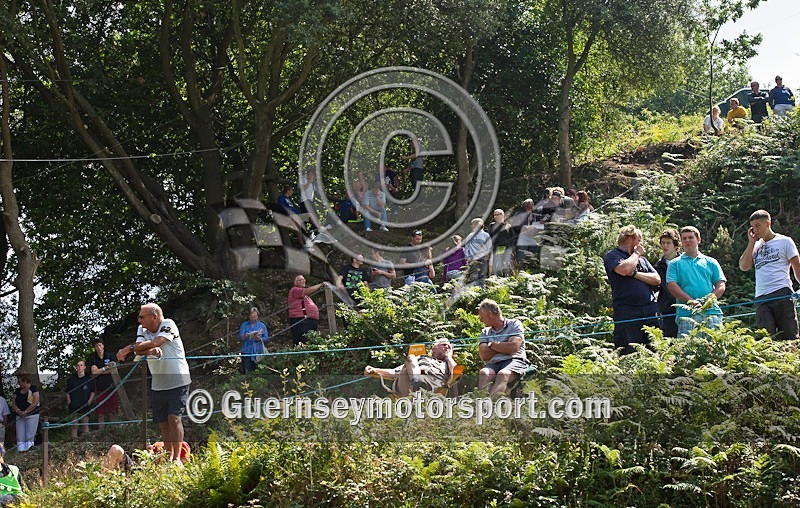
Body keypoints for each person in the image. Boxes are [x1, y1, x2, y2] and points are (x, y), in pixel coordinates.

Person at [116, 303, 192, 464]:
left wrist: (129, 348)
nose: (139, 320)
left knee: (174, 419)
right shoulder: (142, 330)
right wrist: (147, 350)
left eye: (142, 317)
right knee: (163, 423)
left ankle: (177, 459)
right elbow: (140, 350)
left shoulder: (168, 324)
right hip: (158, 383)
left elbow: (157, 341)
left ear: (154, 317)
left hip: (178, 379)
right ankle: (168, 458)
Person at [738, 210, 800, 340]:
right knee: (765, 340)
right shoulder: (755, 246)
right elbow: (744, 266)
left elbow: (796, 266)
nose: (756, 230)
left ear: (768, 223)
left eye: (758, 225)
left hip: (782, 293)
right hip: (761, 297)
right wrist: (751, 243)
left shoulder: (785, 241)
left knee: (789, 337)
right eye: (753, 227)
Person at [603, 225, 661, 354]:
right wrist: (636, 253)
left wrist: (635, 274)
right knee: (629, 350)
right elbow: (624, 269)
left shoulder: (643, 260)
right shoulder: (613, 255)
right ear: (630, 239)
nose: (641, 245)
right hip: (627, 311)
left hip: (650, 310)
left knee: (654, 350)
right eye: (639, 240)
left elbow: (657, 279)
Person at [666, 227, 727, 337]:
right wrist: (691, 301)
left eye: (690, 237)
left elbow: (721, 284)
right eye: (684, 238)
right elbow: (672, 286)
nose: (687, 241)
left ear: (698, 240)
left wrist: (710, 300)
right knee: (688, 352)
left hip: (712, 313)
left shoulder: (711, 262)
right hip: (687, 314)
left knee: (715, 351)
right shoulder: (674, 264)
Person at [363, 339, 456, 396]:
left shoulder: (447, 363)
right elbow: (395, 372)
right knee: (407, 363)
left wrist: (448, 357)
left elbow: (456, 371)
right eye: (444, 344)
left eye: (449, 347)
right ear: (434, 348)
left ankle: (418, 387)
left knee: (405, 371)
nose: (447, 347)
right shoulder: (420, 358)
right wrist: (375, 370)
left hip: (432, 386)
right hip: (410, 386)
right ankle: (417, 385)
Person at [477, 299, 530, 394]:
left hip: (515, 360)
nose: (481, 321)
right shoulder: (485, 332)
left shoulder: (514, 324)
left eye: (482, 317)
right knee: (484, 373)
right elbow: (483, 355)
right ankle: (482, 404)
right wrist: (504, 345)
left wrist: (492, 345)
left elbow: (514, 347)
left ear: (489, 314)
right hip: (494, 363)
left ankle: (492, 404)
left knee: (503, 374)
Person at [655, 229, 680, 338]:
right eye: (663, 243)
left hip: (686, 306)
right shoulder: (658, 267)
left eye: (668, 243)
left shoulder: (685, 262)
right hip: (667, 309)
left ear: (676, 245)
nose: (665, 246)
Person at [87, 338, 119, 423]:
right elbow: (94, 372)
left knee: (112, 410)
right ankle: (101, 431)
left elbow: (114, 369)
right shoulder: (93, 359)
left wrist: (100, 371)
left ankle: (114, 429)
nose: (99, 348)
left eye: (100, 345)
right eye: (96, 346)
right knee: (100, 412)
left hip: (112, 387)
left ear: (103, 346)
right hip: (100, 388)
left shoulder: (110, 356)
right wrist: (105, 368)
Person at [103, 440, 191, 471]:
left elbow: (185, 468)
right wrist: (147, 452)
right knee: (115, 448)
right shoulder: (158, 444)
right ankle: (102, 480)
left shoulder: (183, 445)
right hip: (140, 469)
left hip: (158, 476)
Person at [288, 274, 324, 344]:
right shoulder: (295, 290)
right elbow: (306, 291)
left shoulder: (304, 296)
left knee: (311, 341)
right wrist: (321, 285)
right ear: (295, 283)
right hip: (301, 321)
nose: (303, 281)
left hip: (308, 321)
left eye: (304, 279)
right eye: (300, 280)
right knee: (303, 342)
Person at [65, 360, 96, 438]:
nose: (80, 367)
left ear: (84, 367)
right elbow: (67, 392)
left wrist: (89, 401)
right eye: (78, 365)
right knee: (74, 426)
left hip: (85, 405)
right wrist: (69, 402)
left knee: (85, 425)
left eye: (81, 365)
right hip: (74, 406)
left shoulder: (89, 379)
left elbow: (92, 391)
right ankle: (73, 441)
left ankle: (86, 443)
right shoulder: (71, 380)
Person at [10, 373, 39, 452]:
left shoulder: (33, 389)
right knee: (20, 435)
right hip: (19, 416)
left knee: (29, 435)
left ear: (25, 381)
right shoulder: (17, 391)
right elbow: (13, 403)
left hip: (31, 415)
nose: (18, 383)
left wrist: (26, 411)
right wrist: (18, 411)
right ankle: (20, 451)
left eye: (20, 382)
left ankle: (29, 451)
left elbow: (35, 402)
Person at [463, 218, 492, 287]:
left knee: (482, 277)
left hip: (483, 259)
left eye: (473, 224)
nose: (471, 226)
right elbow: (467, 248)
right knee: (473, 277)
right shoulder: (470, 235)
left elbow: (489, 247)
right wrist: (467, 258)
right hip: (473, 260)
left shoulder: (486, 235)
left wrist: (487, 256)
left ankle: (482, 291)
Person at [238, 307, 268, 374]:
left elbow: (266, 338)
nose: (253, 319)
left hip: (258, 351)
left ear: (257, 316)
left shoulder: (262, 325)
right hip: (246, 350)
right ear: (249, 316)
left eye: (255, 317)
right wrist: (245, 335)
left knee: (258, 371)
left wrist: (260, 339)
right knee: (247, 370)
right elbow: (240, 338)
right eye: (251, 317)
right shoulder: (244, 325)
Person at [489, 209, 515, 277]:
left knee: (506, 266)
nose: (495, 216)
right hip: (496, 249)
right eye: (494, 215)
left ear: (502, 215)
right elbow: (490, 237)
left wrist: (511, 248)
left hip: (507, 249)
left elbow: (513, 238)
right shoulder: (491, 226)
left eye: (497, 214)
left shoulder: (508, 226)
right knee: (498, 267)